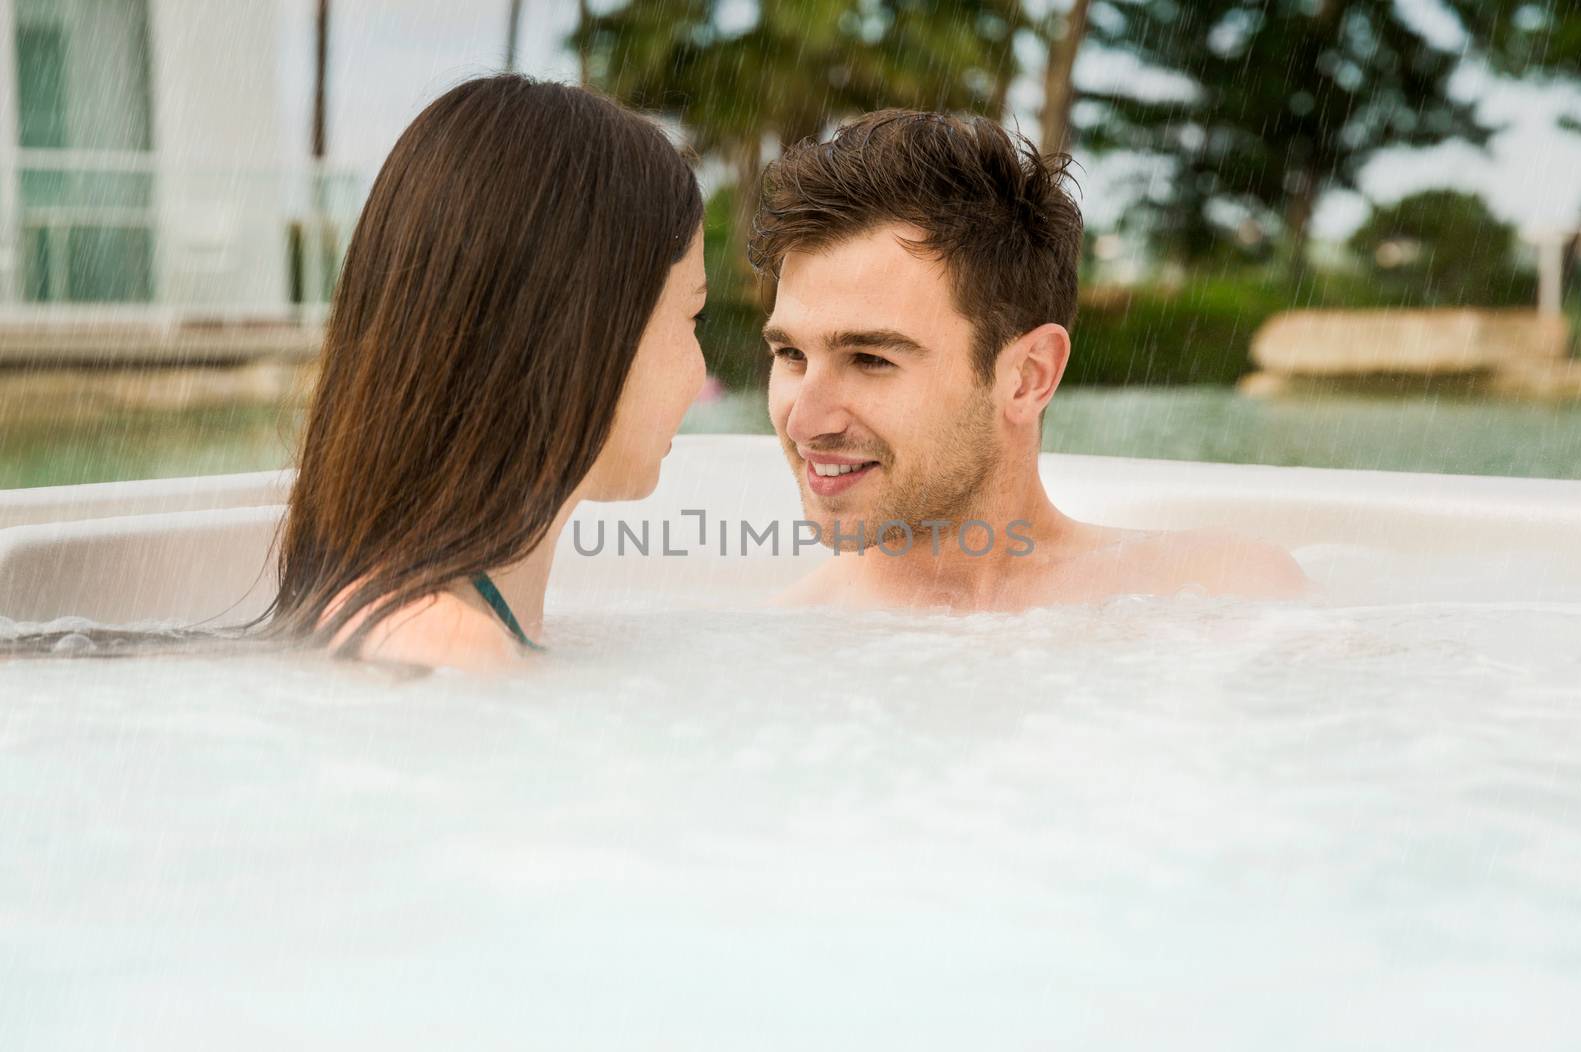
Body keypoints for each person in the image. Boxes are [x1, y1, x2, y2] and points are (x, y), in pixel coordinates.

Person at [750, 110, 1307, 612]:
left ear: (1028, 375)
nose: (804, 422)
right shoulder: (795, 639)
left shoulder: (1225, 595)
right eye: (792, 354)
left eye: (869, 359)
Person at [264, 75, 707, 668]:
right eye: (694, 314)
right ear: (588, 333)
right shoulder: (445, 643)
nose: (701, 373)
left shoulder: (418, 617)